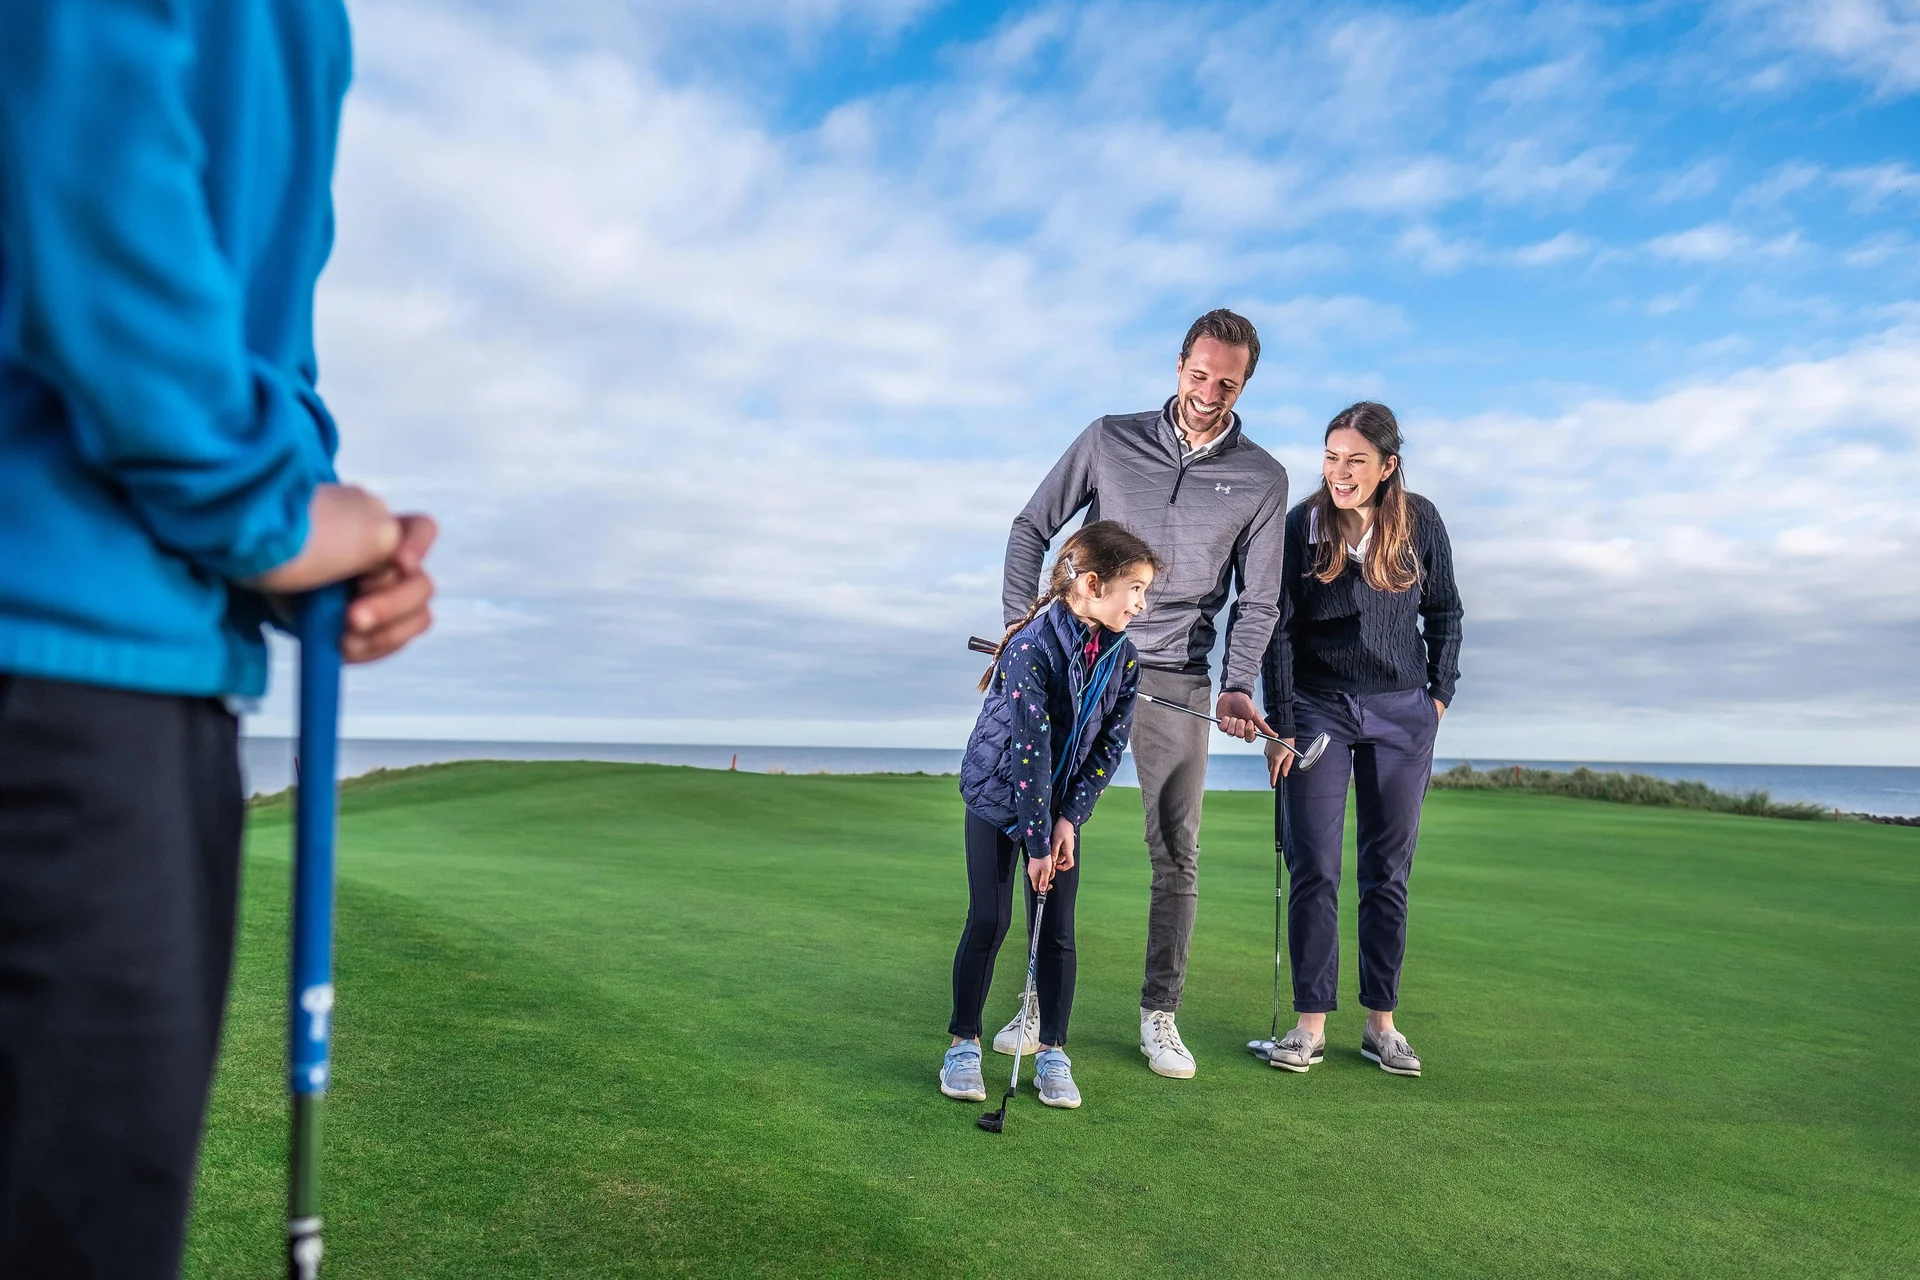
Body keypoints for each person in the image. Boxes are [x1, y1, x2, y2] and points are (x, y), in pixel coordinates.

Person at [0, 5, 435, 1274]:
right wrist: (261, 505)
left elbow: (251, 305)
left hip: (142, 660)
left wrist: (307, 534)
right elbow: (82, 110)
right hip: (61, 671)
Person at [999, 310, 1287, 1079]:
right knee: (1051, 830)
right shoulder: (1108, 437)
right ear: (1179, 365)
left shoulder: (1262, 478)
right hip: (1081, 660)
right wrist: (1023, 629)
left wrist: (1236, 682)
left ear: (1245, 383)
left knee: (1176, 849)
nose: (1209, 392)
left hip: (1175, 677)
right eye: (1199, 374)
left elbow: (1258, 602)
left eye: (1227, 382)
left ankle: (1160, 1014)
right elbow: (1032, 525)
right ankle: (1034, 1000)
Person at [1259, 402, 1462, 1078]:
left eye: (1356, 461)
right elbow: (1278, 630)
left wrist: (1437, 697)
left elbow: (1445, 613)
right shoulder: (1301, 526)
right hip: (1317, 712)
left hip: (1403, 713)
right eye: (1331, 458)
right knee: (1313, 866)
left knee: (1388, 872)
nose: (1340, 473)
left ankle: (1382, 1024)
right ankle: (1309, 1026)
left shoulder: (1421, 521)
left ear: (1387, 466)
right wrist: (1282, 724)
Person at [941, 522, 1158, 1111]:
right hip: (996, 798)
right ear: (1092, 584)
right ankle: (964, 1042)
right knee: (988, 920)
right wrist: (1039, 843)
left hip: (1055, 811)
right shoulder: (1031, 646)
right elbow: (1029, 749)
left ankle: (1054, 1050)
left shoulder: (1124, 658)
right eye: (1134, 589)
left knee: (1058, 930)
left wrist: (1068, 821)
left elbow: (1111, 744)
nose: (1141, 603)